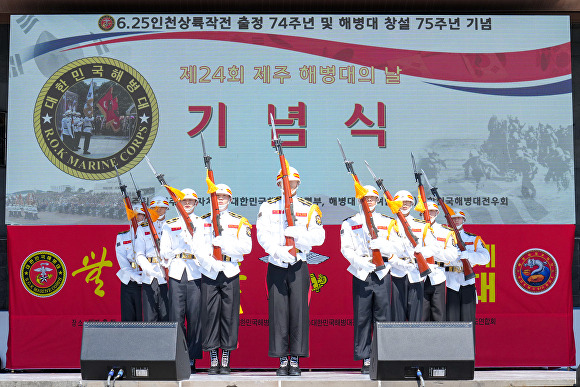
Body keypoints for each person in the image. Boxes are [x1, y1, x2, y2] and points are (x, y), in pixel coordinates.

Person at [256, 166, 325, 376]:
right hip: (277, 264)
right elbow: (262, 234)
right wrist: (276, 251)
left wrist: (300, 235)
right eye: (285, 183)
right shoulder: (267, 207)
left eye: (293, 183)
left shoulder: (309, 207)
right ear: (278, 184)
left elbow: (319, 237)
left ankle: (294, 359)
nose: (289, 186)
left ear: (298, 184)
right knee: (278, 313)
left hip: (298, 264)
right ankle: (282, 359)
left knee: (299, 312)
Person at [340, 185, 397, 374]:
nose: (370, 201)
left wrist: (382, 246)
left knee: (382, 316)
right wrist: (360, 262)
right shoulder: (350, 222)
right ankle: (365, 358)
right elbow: (346, 248)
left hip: (381, 271)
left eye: (373, 198)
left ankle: (381, 357)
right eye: (366, 198)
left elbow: (396, 246)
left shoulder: (387, 221)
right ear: (360, 200)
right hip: (361, 272)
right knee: (362, 317)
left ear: (378, 200)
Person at [199, 184, 252, 375]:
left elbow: (247, 247)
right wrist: (212, 263)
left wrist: (225, 245)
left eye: (224, 197)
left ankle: (226, 357)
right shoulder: (202, 221)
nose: (220, 200)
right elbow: (197, 248)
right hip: (210, 271)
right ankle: (213, 357)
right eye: (217, 196)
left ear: (230, 200)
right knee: (210, 315)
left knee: (229, 316)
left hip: (230, 271)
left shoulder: (239, 221)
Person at [160, 189, 207, 373]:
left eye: (191, 201)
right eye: (184, 201)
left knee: (195, 317)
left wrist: (193, 244)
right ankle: (178, 356)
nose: (187, 204)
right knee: (176, 317)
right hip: (177, 271)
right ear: (178, 203)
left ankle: (192, 359)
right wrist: (178, 249)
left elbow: (206, 248)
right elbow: (164, 251)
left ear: (196, 204)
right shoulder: (170, 224)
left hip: (195, 272)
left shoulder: (202, 224)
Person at [386, 190, 436, 322]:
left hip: (416, 272)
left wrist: (422, 251)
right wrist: (400, 263)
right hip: (398, 272)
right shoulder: (389, 225)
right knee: (397, 317)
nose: (404, 204)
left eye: (408, 202)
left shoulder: (421, 225)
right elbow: (387, 251)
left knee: (416, 317)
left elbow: (433, 248)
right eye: (401, 202)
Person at [445, 208, 490, 323]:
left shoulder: (473, 239)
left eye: (459, 218)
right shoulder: (444, 238)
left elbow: (486, 258)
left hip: (467, 282)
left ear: (463, 220)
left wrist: (468, 255)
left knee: (468, 322)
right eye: (453, 218)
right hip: (450, 282)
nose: (456, 221)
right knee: (451, 322)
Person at [421, 201, 458, 321]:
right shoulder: (414, 228)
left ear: (437, 213)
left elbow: (453, 254)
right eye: (426, 211)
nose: (429, 214)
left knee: (439, 314)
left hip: (438, 275)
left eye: (432, 211)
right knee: (420, 316)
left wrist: (434, 252)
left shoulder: (445, 231)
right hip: (419, 275)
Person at [134, 196, 169, 322]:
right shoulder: (143, 228)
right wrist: (147, 268)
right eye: (155, 208)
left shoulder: (171, 226)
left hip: (167, 276)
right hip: (149, 276)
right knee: (150, 316)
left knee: (167, 315)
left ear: (167, 208)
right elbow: (139, 254)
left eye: (162, 208)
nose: (159, 210)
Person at [115, 205, 145, 321]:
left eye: (140, 215)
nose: (137, 218)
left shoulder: (149, 235)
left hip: (146, 278)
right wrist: (134, 275)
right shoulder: (122, 236)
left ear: (144, 217)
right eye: (134, 215)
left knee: (143, 317)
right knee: (128, 317)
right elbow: (122, 260)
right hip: (128, 280)